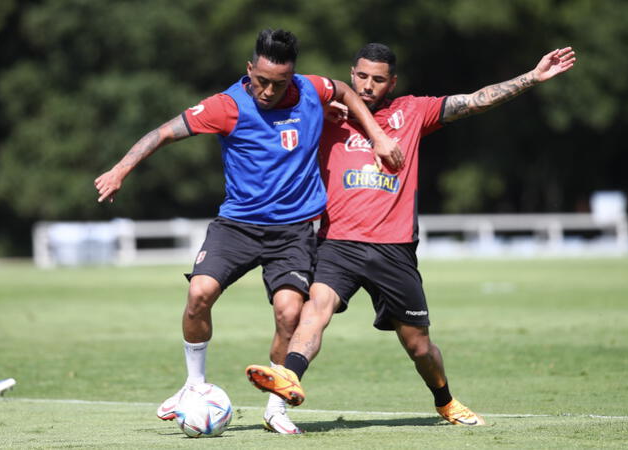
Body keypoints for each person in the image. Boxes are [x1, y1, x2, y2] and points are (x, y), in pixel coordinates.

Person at [246, 43, 576, 427]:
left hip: (394, 251)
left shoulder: (412, 112)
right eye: (363, 77)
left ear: (393, 82)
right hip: (338, 244)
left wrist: (532, 77)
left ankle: (445, 400)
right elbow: (270, 99)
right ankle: (290, 379)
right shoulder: (326, 116)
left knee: (419, 347)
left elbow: (473, 102)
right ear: (352, 75)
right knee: (314, 311)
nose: (369, 86)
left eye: (379, 79)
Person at [94, 30, 402, 435]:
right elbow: (164, 133)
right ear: (249, 69)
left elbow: (342, 90)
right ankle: (193, 385)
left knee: (290, 313)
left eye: (280, 82)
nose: (269, 91)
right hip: (237, 225)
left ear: (293, 75)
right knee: (199, 294)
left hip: (294, 232)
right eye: (262, 81)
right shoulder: (226, 106)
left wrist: (378, 136)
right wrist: (120, 170)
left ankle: (276, 408)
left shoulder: (310, 90)